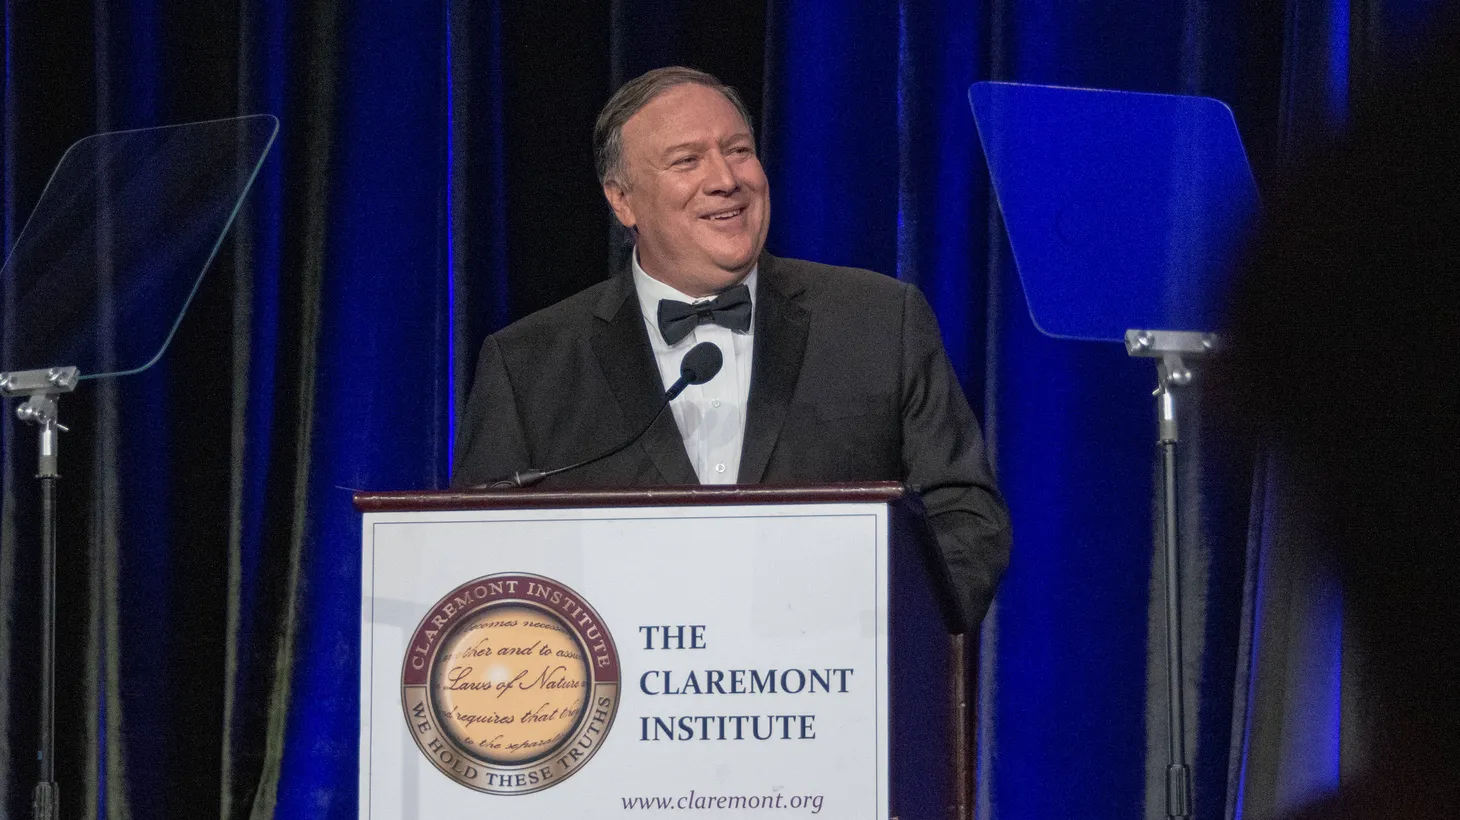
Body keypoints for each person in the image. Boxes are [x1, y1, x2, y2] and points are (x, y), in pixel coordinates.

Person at [452, 67, 1011, 631]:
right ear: (623, 201)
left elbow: (964, 517)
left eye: (738, 150)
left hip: (831, 692)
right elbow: (481, 567)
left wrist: (875, 639)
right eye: (686, 161)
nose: (725, 179)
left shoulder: (879, 320)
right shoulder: (530, 365)